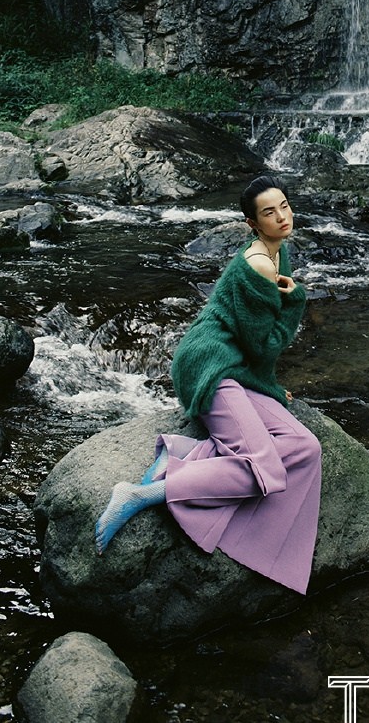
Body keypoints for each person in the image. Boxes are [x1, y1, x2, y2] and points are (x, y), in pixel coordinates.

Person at [94, 175, 321, 594]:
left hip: (235, 366)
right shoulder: (259, 265)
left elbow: (254, 347)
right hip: (209, 366)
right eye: (269, 212)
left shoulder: (278, 250)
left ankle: (185, 454)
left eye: (284, 205)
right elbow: (263, 345)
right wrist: (296, 301)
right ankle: (141, 494)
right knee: (262, 469)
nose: (282, 216)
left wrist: (268, 387)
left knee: (306, 448)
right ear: (253, 223)